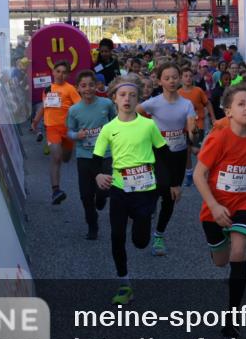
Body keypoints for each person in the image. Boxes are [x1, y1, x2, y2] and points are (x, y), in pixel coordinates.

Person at [194, 84, 246, 338]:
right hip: (214, 208)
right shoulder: (218, 138)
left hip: (244, 204)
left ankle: (232, 317)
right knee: (222, 262)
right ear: (228, 111)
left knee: (239, 252)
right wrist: (214, 205)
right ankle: (219, 250)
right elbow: (200, 174)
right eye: (241, 104)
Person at [93, 77, 176, 305]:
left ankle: (146, 220)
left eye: (132, 95)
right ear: (114, 100)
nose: (127, 99)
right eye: (122, 95)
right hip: (119, 190)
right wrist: (99, 175)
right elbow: (96, 159)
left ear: (138, 99)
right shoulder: (108, 129)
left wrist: (173, 182)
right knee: (117, 236)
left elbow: (164, 154)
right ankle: (124, 283)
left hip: (146, 191)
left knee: (140, 241)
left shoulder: (148, 126)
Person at [139, 63, 196, 256]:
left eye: (174, 77)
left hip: (179, 155)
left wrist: (191, 130)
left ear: (179, 79)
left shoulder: (186, 104)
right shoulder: (153, 103)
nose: (172, 81)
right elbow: (136, 111)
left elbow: (191, 123)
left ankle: (159, 236)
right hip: (158, 154)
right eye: (167, 78)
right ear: (159, 81)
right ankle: (148, 209)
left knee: (171, 197)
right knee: (163, 186)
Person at [66, 70, 117, 239]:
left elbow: (114, 122)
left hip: (105, 154)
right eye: (83, 86)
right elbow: (69, 132)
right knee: (86, 195)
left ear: (97, 86)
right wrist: (77, 135)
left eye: (91, 85)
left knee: (104, 188)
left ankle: (102, 199)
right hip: (84, 155)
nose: (88, 88)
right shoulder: (74, 110)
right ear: (78, 88)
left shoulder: (106, 104)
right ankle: (92, 225)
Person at [31, 61, 80, 204]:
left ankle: (65, 155)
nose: (60, 74)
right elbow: (44, 107)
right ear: (53, 72)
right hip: (52, 128)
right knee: (56, 158)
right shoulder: (47, 89)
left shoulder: (70, 89)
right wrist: (35, 121)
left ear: (68, 74)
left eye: (64, 72)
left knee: (65, 158)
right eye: (58, 71)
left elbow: (79, 107)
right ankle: (56, 191)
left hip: (68, 129)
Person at [178, 66, 213, 187]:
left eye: (190, 76)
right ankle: (189, 175)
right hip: (184, 126)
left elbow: (207, 103)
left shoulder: (198, 91)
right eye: (185, 76)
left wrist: (213, 118)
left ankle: (205, 172)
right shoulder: (178, 93)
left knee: (198, 151)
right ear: (181, 78)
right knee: (187, 150)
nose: (188, 78)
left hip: (199, 125)